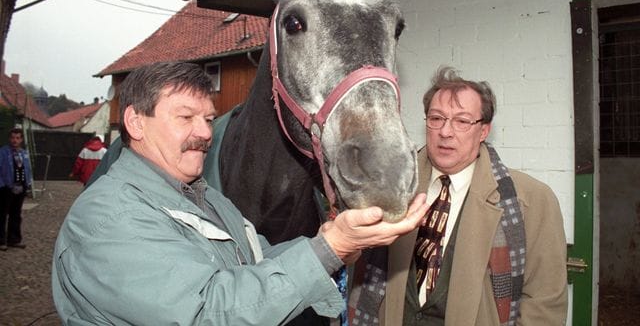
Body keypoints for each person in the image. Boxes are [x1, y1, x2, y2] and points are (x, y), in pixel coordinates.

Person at [51, 61, 429, 325]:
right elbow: (207, 313)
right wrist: (327, 251)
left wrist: (335, 243)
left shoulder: (202, 196)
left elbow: (256, 261)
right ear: (135, 122)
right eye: (185, 117)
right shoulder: (109, 219)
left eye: (208, 119)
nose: (203, 133)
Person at [380, 67, 568, 325]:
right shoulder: (392, 187)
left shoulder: (532, 200)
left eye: (462, 121)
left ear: (483, 131)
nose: (445, 132)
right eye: (436, 118)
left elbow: (545, 303)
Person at [0, 128, 32, 251]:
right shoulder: (3, 152)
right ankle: (1, 240)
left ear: (21, 140)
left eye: (18, 138)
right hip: (6, 188)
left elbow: (27, 169)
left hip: (20, 188)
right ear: (10, 138)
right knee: (2, 215)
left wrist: (27, 184)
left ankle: (14, 240)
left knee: (16, 214)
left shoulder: (24, 153)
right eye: (13, 137)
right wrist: (2, 185)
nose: (15, 140)